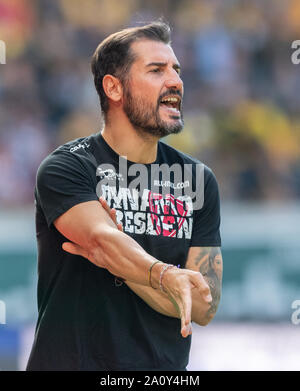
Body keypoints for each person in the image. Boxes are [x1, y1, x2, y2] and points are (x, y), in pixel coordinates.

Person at [26, 21, 223, 371]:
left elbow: (203, 306)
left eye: (176, 70)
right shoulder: (68, 166)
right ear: (114, 88)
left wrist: (124, 267)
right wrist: (165, 276)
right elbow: (101, 240)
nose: (176, 81)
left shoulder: (198, 180)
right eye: (156, 70)